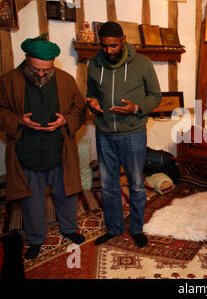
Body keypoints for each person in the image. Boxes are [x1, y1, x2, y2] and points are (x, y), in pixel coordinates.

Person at [0, 34, 87, 259]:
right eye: (36, 69)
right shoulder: (8, 81)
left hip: (59, 150)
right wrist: (19, 120)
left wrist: (65, 120)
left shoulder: (66, 80)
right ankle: (36, 239)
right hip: (26, 152)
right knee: (32, 201)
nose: (41, 74)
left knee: (66, 195)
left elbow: (79, 109)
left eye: (46, 70)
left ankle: (69, 229)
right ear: (27, 59)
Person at [87, 21, 162, 248]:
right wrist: (92, 103)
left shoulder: (142, 64)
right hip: (105, 134)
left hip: (133, 133)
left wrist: (136, 107)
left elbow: (156, 96)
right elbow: (91, 93)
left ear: (123, 42)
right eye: (104, 47)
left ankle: (137, 228)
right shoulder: (94, 64)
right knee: (108, 186)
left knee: (137, 184)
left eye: (113, 46)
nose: (108, 51)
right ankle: (114, 228)